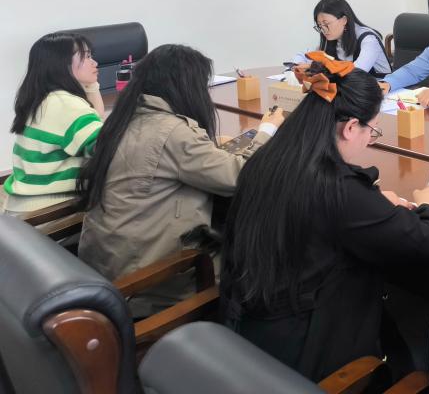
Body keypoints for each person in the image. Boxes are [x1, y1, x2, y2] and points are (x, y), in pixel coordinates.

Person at [221, 53, 429, 384]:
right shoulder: (338, 189)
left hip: (249, 326)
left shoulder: (269, 158)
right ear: (351, 127)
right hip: (309, 352)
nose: (370, 140)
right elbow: (426, 243)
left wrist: (371, 202)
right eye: (372, 130)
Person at [77, 44, 282, 315]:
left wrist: (210, 147)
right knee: (269, 248)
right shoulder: (172, 131)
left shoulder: (124, 118)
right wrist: (267, 130)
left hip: (109, 263)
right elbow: (241, 177)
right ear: (184, 87)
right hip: (149, 283)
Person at [3, 32, 106, 214]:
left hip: (23, 205)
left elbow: (96, 120)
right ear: (62, 64)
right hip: (47, 214)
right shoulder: (66, 105)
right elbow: (104, 149)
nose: (95, 63)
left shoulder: (45, 98)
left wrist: (91, 85)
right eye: (87, 56)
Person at [312, 0, 391, 77]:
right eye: (320, 25)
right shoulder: (332, 38)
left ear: (344, 20)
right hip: (348, 84)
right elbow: (309, 58)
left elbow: (357, 73)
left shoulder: (368, 39)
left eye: (326, 24)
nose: (323, 30)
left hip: (378, 83)